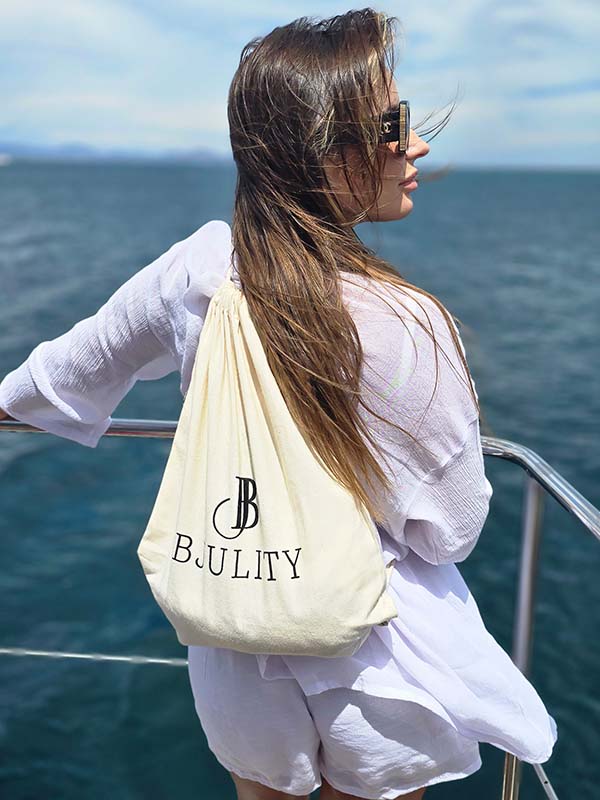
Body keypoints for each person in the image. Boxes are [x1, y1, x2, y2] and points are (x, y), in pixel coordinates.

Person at [0, 8, 557, 800]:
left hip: (235, 636)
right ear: (322, 150)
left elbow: (61, 376)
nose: (417, 145)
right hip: (375, 654)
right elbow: (450, 527)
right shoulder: (407, 322)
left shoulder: (194, 269)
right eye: (392, 125)